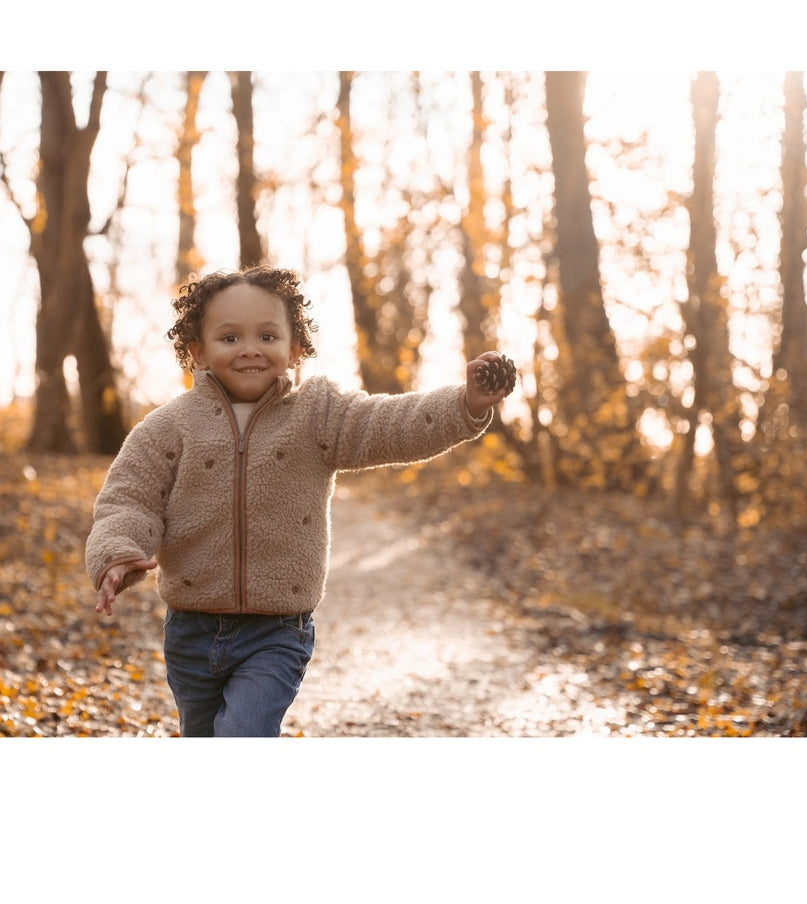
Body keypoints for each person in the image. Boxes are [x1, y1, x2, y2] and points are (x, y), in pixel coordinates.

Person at [85, 265, 511, 737]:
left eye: (267, 335)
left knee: (243, 733)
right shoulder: (169, 427)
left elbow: (391, 424)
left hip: (277, 631)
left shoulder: (317, 416)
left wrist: (467, 403)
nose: (249, 348)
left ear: (293, 349)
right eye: (230, 338)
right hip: (191, 627)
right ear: (199, 352)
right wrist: (116, 553)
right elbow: (129, 498)